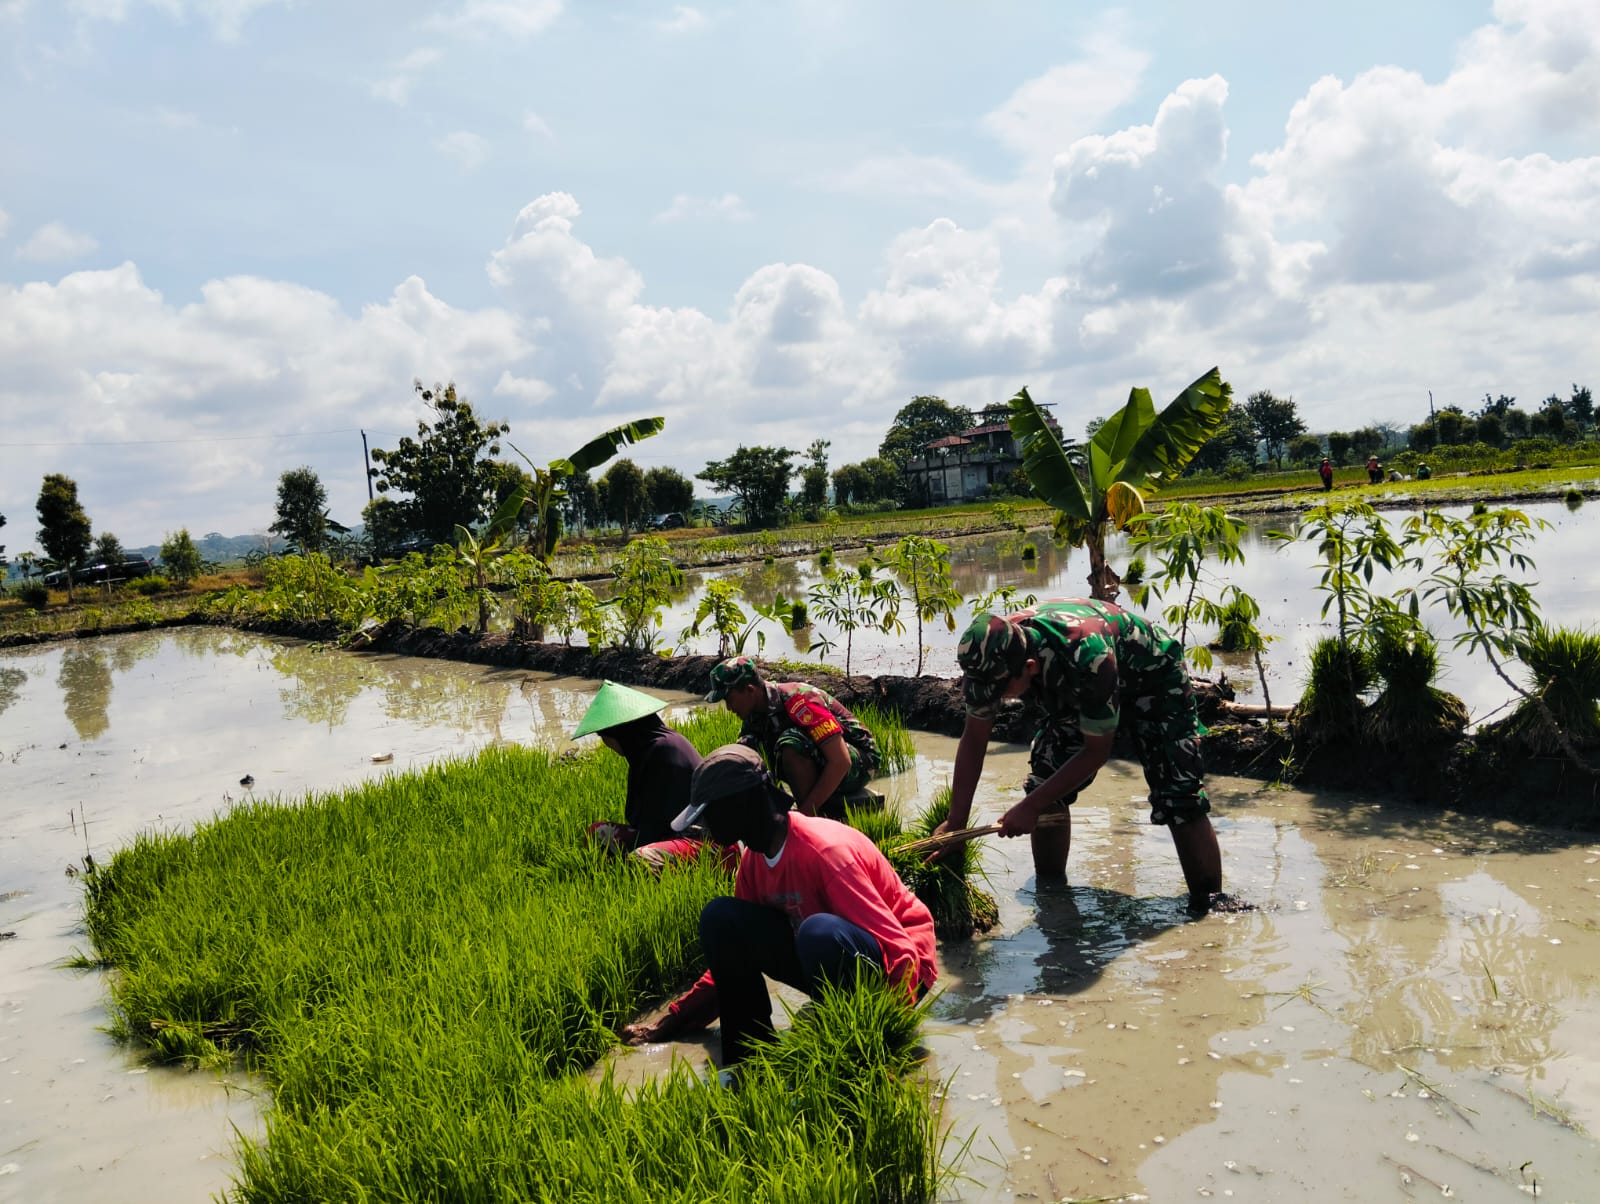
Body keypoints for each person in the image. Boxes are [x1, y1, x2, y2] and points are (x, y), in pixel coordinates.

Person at [621, 744, 937, 1067]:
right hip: (832, 953)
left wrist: (884, 1037)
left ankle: (854, 1036)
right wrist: (674, 1020)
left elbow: (901, 951)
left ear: (740, 805)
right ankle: (750, 1056)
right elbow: (730, 959)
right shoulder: (754, 862)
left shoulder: (826, 854)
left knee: (817, 933)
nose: (705, 828)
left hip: (899, 964)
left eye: (709, 814)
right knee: (721, 918)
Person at [932, 599, 1225, 913]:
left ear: (1029, 668)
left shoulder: (1086, 656)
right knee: (1044, 781)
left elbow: (1096, 751)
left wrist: (1029, 808)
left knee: (1179, 795)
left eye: (1000, 691)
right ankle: (1052, 899)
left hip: (1152, 678)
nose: (995, 699)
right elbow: (975, 738)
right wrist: (956, 823)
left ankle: (1210, 908)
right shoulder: (990, 659)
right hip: (1075, 687)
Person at [706, 656, 880, 819]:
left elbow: (841, 761)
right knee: (746, 751)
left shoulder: (799, 700)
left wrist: (804, 816)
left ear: (750, 690)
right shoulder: (754, 713)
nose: (729, 707)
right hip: (827, 758)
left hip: (860, 760)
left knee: (792, 742)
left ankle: (812, 818)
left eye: (729, 699)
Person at [572, 680, 715, 873]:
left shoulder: (663, 751)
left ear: (621, 733)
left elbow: (656, 825)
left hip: (702, 841)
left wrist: (632, 853)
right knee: (596, 833)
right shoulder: (646, 750)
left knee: (641, 859)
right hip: (670, 834)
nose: (605, 743)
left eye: (603, 736)